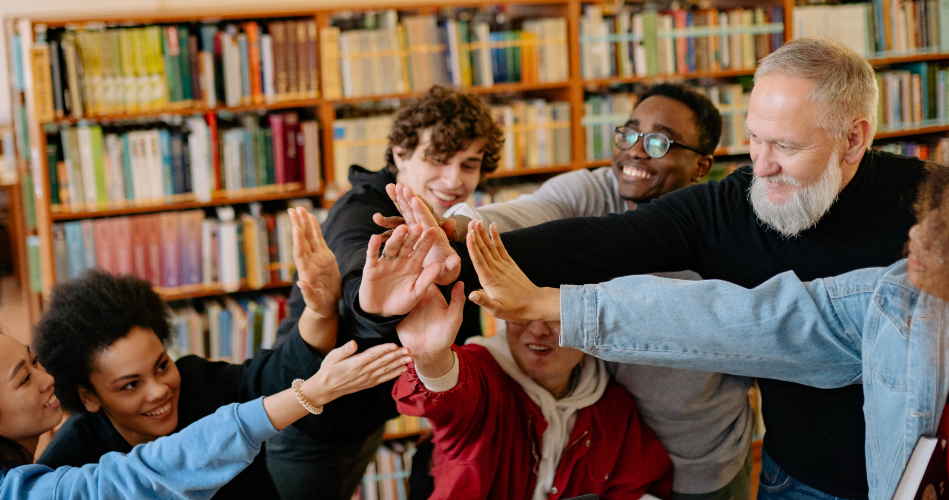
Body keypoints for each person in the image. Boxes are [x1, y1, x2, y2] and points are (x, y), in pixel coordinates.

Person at [380, 37, 928, 499]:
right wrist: (450, 251)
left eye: (785, 145)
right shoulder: (735, 203)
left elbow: (766, 323)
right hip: (796, 477)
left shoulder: (935, 212)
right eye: (755, 139)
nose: (761, 165)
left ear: (854, 138)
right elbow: (600, 243)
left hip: (924, 473)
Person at [460, 161, 949, 500]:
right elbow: (752, 322)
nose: (912, 237)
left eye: (937, 230)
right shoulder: (891, 297)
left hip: (711, 458)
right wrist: (467, 244)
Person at [414, 83, 754, 499]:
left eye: (659, 141)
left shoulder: (720, 229)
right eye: (629, 133)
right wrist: (454, 227)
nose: (635, 151)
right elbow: (523, 213)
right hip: (616, 450)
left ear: (701, 166)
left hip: (698, 462)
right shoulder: (597, 191)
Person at [265, 84, 504, 499]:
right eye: (438, 159)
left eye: (469, 164)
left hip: (365, 414)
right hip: (304, 420)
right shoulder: (361, 211)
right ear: (399, 154)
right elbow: (358, 262)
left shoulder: (446, 223)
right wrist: (372, 301)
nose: (454, 179)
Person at [32, 207, 351, 500]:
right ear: (88, 396)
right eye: (130, 385)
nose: (159, 390)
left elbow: (278, 373)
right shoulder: (72, 458)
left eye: (161, 366)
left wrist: (320, 310)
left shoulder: (200, 383)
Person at [0, 323, 410, 500]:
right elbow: (147, 473)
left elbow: (265, 373)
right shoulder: (64, 465)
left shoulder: (200, 381)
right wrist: (309, 395)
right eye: (24, 378)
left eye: (35, 361)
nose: (46, 378)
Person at [387, 263, 674, 499]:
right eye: (520, 312)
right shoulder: (482, 373)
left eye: (555, 314)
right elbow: (446, 392)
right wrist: (431, 358)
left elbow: (636, 484)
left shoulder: (613, 407)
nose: (537, 329)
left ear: (589, 322)